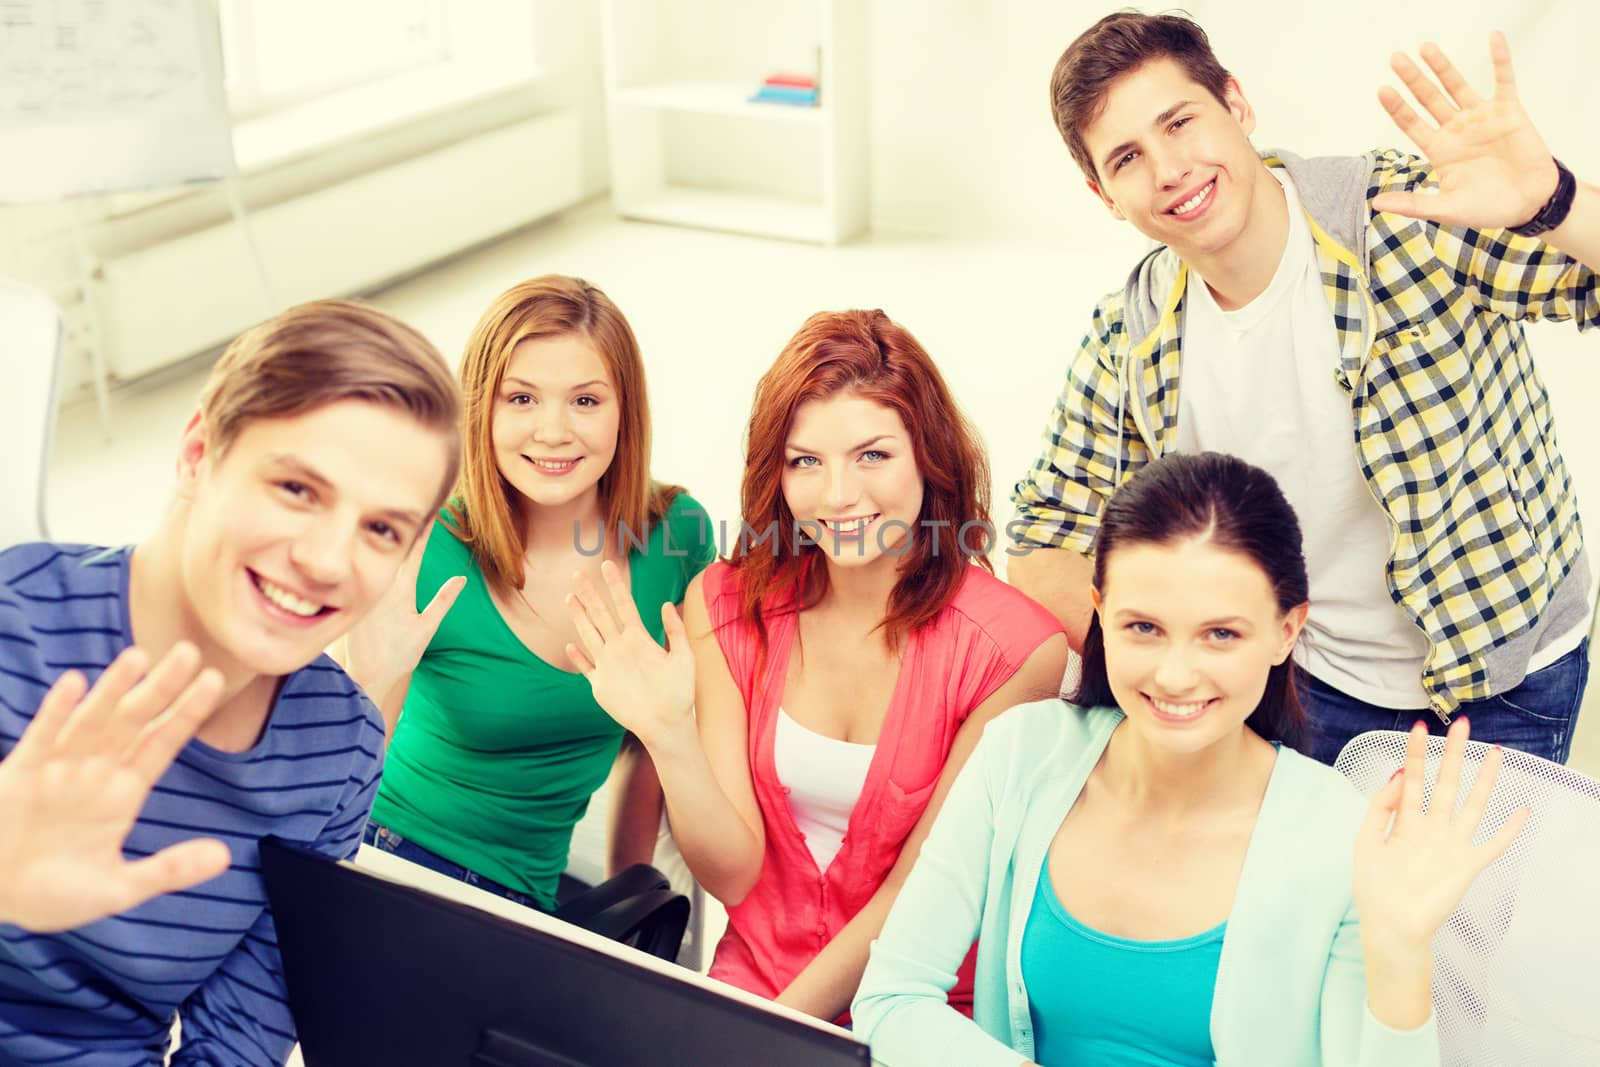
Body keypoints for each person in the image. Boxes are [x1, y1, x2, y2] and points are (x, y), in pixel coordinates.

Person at [1008, 14, 1597, 765]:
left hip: (1502, 677)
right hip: (1301, 686)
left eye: (1180, 122)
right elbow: (1043, 535)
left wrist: (1554, 200)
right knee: (1320, 886)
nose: (1168, 170)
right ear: (1106, 197)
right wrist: (1175, 663)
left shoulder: (1402, 222)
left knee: (1461, 889)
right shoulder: (1134, 331)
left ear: (1238, 105)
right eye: (1127, 158)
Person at [855, 451, 1526, 1066]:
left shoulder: (1342, 833)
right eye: (1143, 626)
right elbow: (892, 999)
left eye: (1220, 634)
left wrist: (1400, 951)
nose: (1175, 675)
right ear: (1101, 613)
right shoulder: (1020, 754)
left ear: (1285, 632)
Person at [566, 308, 1069, 1021]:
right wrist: (668, 734)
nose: (837, 496)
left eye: (872, 455)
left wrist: (779, 1036)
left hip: (923, 1001)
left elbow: (919, 889)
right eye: (805, 460)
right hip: (754, 983)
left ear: (930, 457)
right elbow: (734, 874)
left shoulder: (1017, 649)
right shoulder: (727, 602)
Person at [0, 300, 461, 1064]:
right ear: (197, 451)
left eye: (381, 528)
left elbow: (239, 1041)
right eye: (297, 489)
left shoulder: (339, 748)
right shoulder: (14, 622)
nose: (326, 561)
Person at [350, 275, 715, 914]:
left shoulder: (676, 536)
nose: (553, 432)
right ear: (479, 409)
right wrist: (369, 677)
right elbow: (340, 765)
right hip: (386, 856)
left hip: (525, 901)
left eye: (585, 401)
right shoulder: (425, 540)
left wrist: (630, 899)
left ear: (625, 409)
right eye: (520, 398)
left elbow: (655, 741)